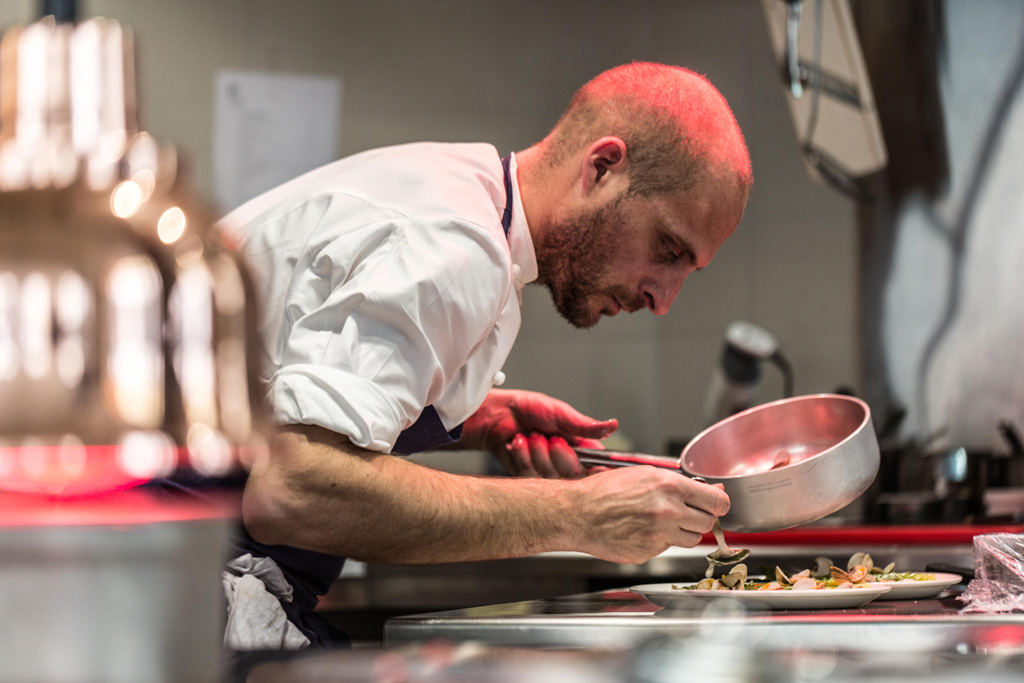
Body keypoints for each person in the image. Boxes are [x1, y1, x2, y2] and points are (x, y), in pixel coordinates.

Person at [218, 61, 752, 651]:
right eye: (668, 248)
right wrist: (578, 515)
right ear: (601, 167)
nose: (664, 300)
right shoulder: (456, 244)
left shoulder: (464, 188)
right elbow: (294, 490)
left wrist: (477, 419)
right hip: (174, 593)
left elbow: (284, 384)